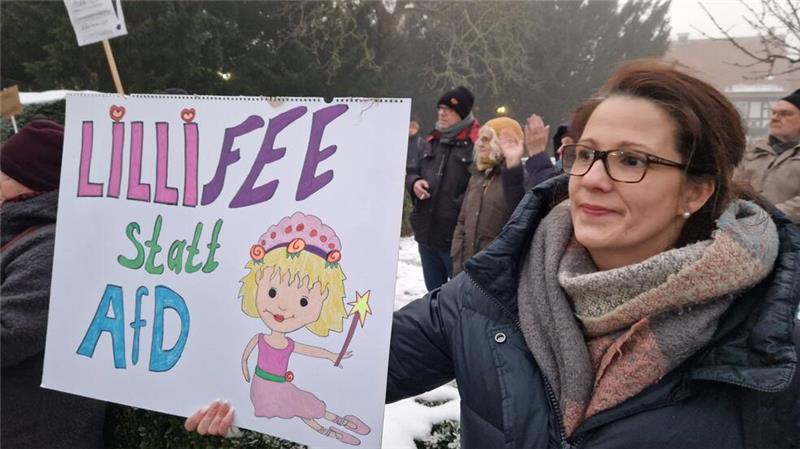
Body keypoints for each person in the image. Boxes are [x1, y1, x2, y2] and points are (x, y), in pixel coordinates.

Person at [188, 60, 800, 447]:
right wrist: (219, 387)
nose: (592, 177)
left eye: (632, 160)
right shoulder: (489, 297)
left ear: (696, 189)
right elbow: (357, 367)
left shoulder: (768, 345)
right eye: (585, 153)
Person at [1, 120, 107, 449]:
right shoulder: (22, 229)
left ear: (25, 185)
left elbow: (11, 333)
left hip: (32, 432)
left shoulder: (53, 245)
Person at [450, 116, 554, 275]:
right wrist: (458, 264)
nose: (479, 144)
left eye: (486, 139)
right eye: (479, 139)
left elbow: (524, 223)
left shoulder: (519, 178)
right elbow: (462, 222)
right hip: (467, 270)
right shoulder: (477, 176)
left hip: (496, 274)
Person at [405, 86, 480, 291]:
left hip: (455, 241)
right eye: (440, 108)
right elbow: (412, 170)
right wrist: (415, 182)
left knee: (457, 299)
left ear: (462, 113)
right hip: (427, 236)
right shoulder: (432, 140)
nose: (442, 113)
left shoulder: (477, 144)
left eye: (449, 109)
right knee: (434, 296)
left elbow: (482, 188)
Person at [735, 88, 800, 223]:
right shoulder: (751, 150)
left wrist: (769, 215)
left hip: (791, 234)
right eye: (774, 113)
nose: (775, 118)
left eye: (785, 114)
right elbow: (733, 185)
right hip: (745, 228)